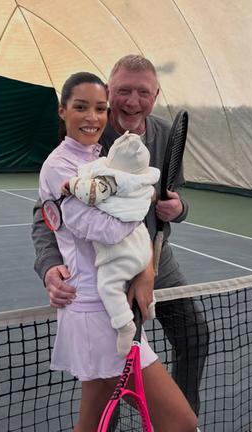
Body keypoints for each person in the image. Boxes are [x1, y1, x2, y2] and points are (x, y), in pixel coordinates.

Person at [32, 55, 210, 415]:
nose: (132, 101)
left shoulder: (162, 133)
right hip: (108, 268)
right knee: (115, 368)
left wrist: (179, 210)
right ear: (110, 92)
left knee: (194, 335)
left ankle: (182, 416)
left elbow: (175, 194)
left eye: (142, 92)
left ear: (156, 95)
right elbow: (46, 211)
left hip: (158, 257)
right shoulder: (92, 135)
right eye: (123, 91)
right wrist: (49, 264)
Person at [63, 131, 160, 356]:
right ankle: (151, 305)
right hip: (142, 245)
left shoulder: (110, 182)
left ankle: (125, 326)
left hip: (121, 252)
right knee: (135, 276)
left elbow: (90, 193)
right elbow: (152, 197)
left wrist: (71, 184)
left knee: (108, 286)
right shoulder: (143, 183)